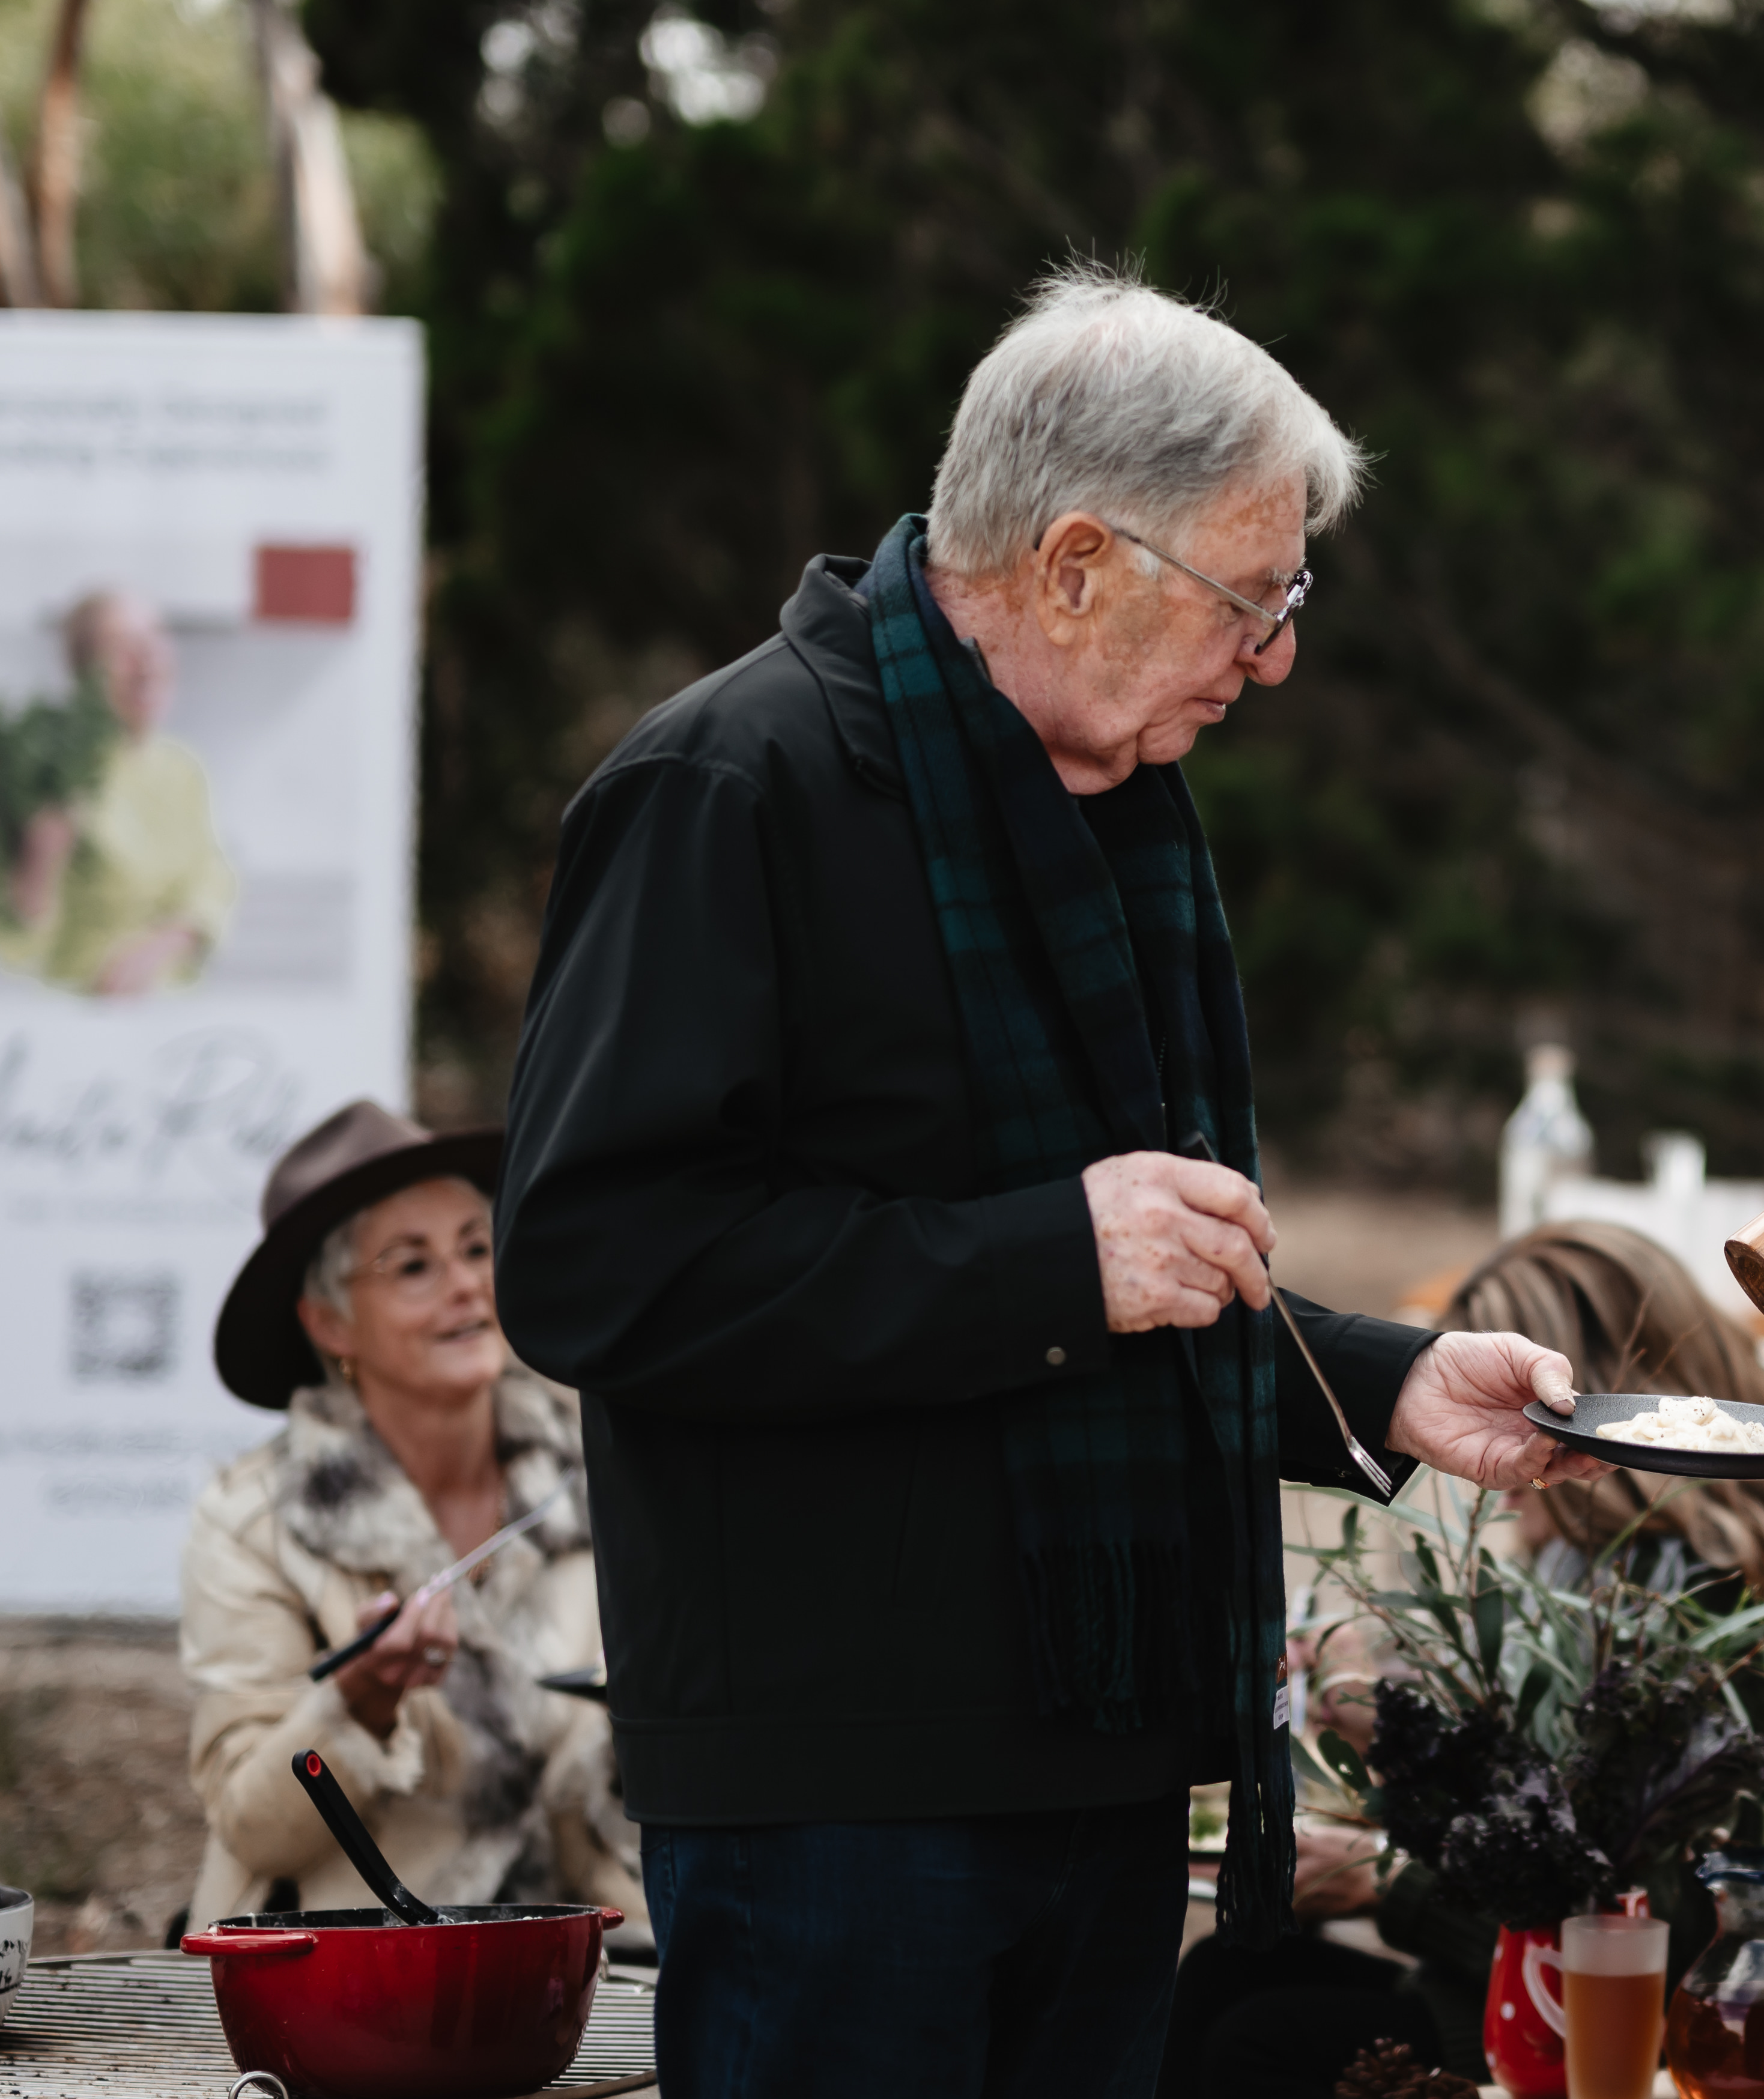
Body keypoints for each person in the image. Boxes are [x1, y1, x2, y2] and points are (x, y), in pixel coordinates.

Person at [492, 267, 1604, 2099]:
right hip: (840, 1793)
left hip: (1102, 1758)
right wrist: (1042, 1261)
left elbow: (1133, 1268)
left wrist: (1381, 1380)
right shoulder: (726, 784)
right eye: (1254, 595)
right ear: (1074, 562)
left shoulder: (1107, 805)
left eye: (1288, 595)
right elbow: (594, 1263)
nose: (1278, 655)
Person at [1162, 1220, 1764, 2099]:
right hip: (1554, 2003)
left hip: (1749, 2046)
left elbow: (1635, 1928)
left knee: (1260, 2041)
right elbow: (1551, 1839)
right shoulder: (1610, 1582)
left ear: (1585, 1415)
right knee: (1230, 1972)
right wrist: (1382, 1730)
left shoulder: (1735, 1617)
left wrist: (1388, 1884)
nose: (1477, 1469)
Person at [181, 1101, 635, 1941]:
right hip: (354, 1973)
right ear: (328, 1321)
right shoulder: (255, 1522)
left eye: (475, 1244)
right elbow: (253, 1827)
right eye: (413, 1264)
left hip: (596, 1964)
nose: (468, 1282)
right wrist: (358, 1705)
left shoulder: (602, 1465)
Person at [4, 589, 236, 996]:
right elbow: (18, 946)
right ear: (84, 672)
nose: (146, 659)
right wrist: (39, 864)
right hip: (81, 1009)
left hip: (173, 1007)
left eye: (156, 637)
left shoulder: (184, 768)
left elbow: (210, 878)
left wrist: (165, 944)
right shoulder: (51, 773)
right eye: (121, 646)